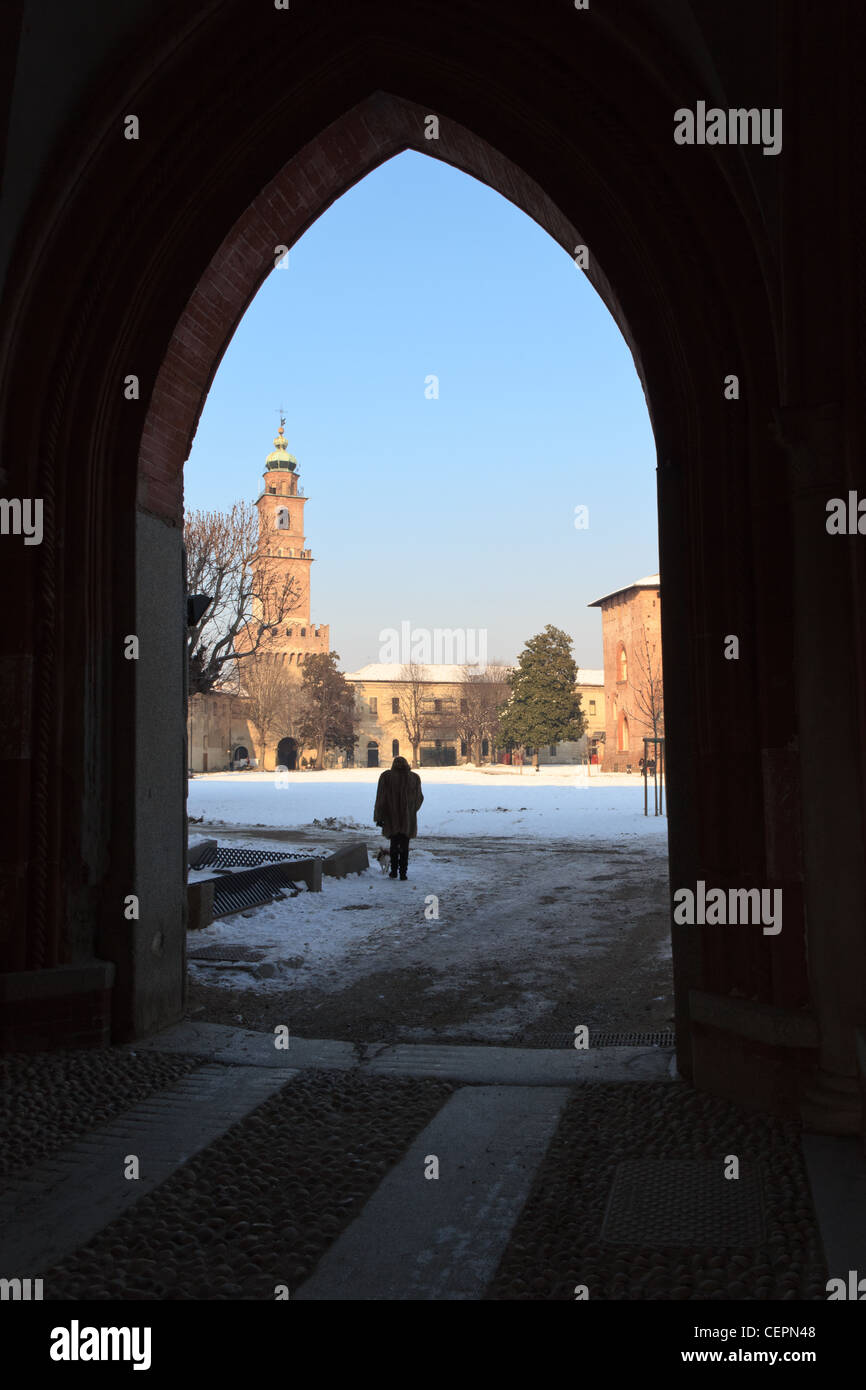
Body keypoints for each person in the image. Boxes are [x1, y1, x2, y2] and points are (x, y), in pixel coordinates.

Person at [374, 755, 424, 880]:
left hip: (391, 818)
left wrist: (380, 816)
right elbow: (419, 798)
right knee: (405, 846)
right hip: (408, 819)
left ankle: (393, 871)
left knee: (394, 845)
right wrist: (411, 811)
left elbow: (381, 798)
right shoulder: (414, 777)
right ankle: (403, 873)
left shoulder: (386, 777)